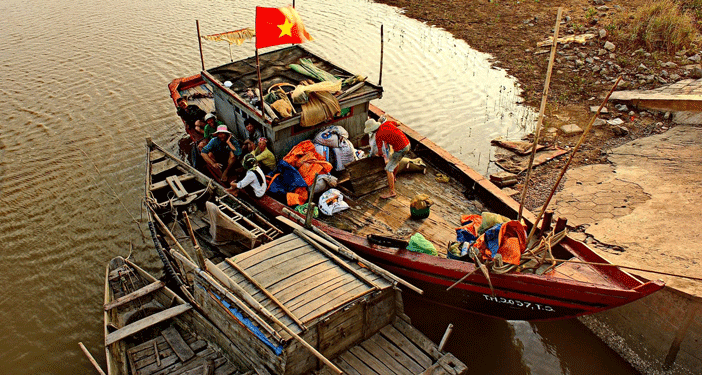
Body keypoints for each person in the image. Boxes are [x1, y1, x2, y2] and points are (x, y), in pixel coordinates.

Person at [364, 117, 410, 199]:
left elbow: (380, 151)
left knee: (388, 169)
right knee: (395, 160)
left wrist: (378, 154)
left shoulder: (378, 135)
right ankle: (394, 177)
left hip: (401, 149)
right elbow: (397, 123)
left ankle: (392, 192)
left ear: (372, 130)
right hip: (407, 144)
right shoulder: (387, 123)